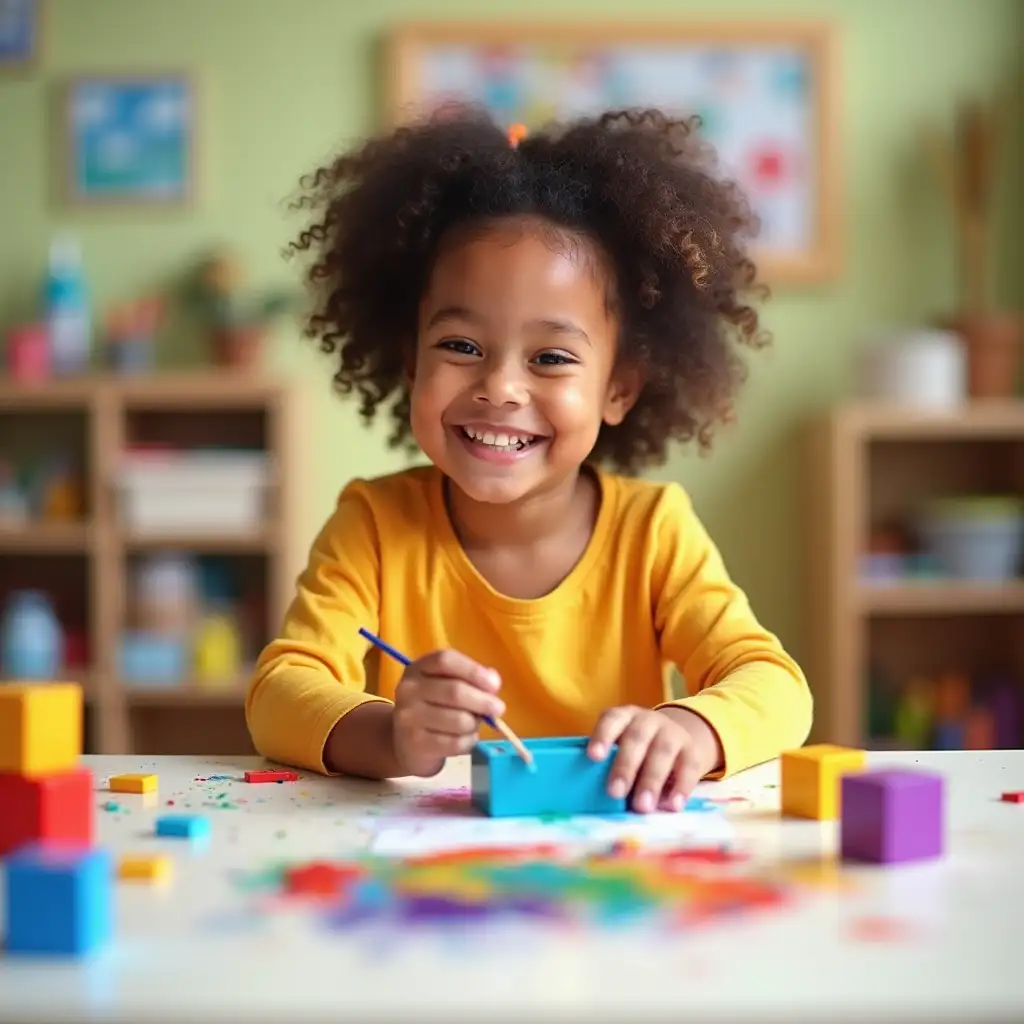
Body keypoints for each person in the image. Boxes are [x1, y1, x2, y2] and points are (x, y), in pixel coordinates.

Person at [246, 106, 812, 813]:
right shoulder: (374, 524)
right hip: (430, 879)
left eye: (550, 358)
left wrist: (690, 728)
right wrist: (392, 735)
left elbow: (777, 686)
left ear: (618, 388)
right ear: (411, 363)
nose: (500, 389)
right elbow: (278, 693)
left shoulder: (654, 532)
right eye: (460, 347)